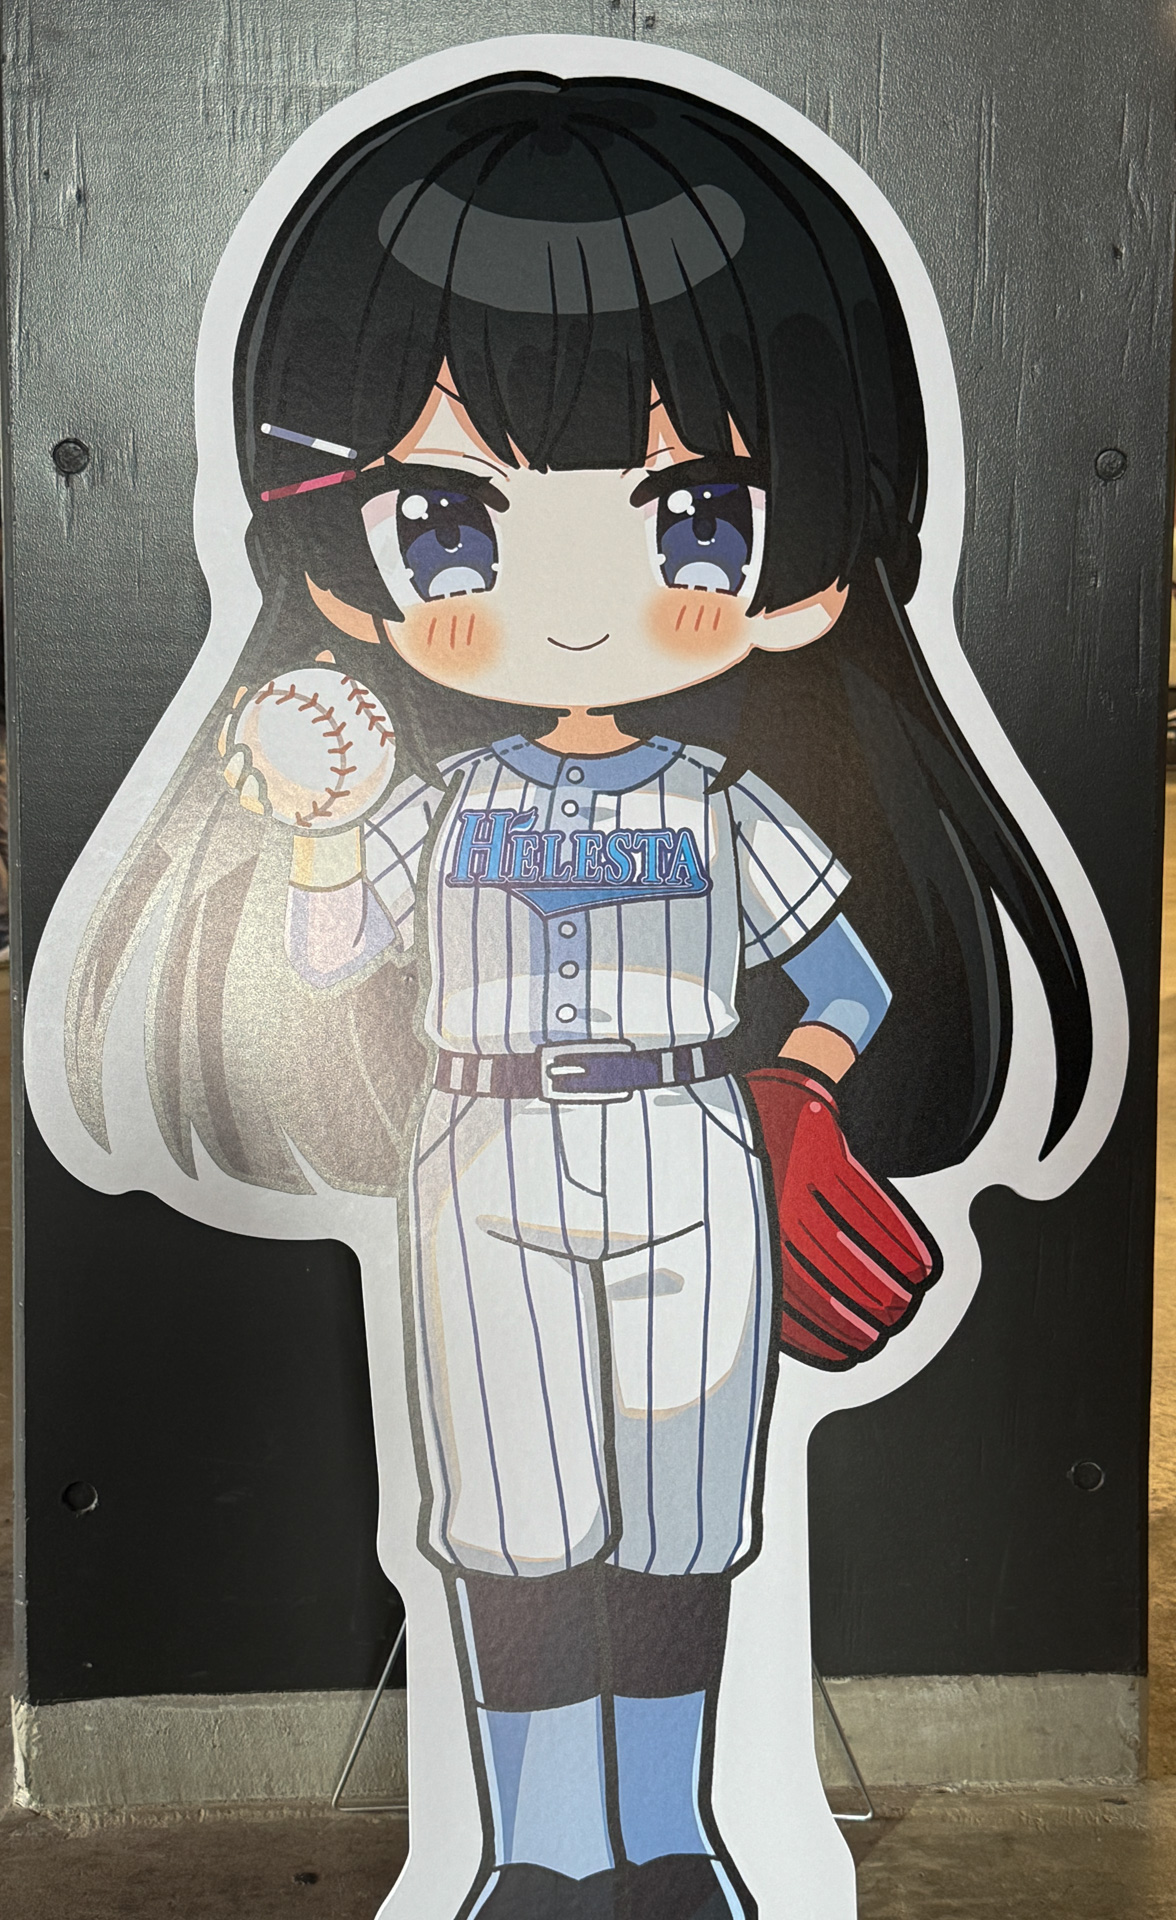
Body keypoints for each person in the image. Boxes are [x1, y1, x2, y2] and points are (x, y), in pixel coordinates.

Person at [63, 76, 1093, 1920]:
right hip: (482, 1146)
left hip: (693, 1138)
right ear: (352, 567)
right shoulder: (444, 793)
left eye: (693, 517)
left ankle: (671, 1838)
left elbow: (844, 975)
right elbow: (328, 967)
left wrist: (797, 1090)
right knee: (514, 1524)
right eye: (451, 523)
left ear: (798, 562)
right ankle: (537, 1849)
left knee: (680, 1520)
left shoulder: (722, 797)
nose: (568, 597)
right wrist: (320, 836)